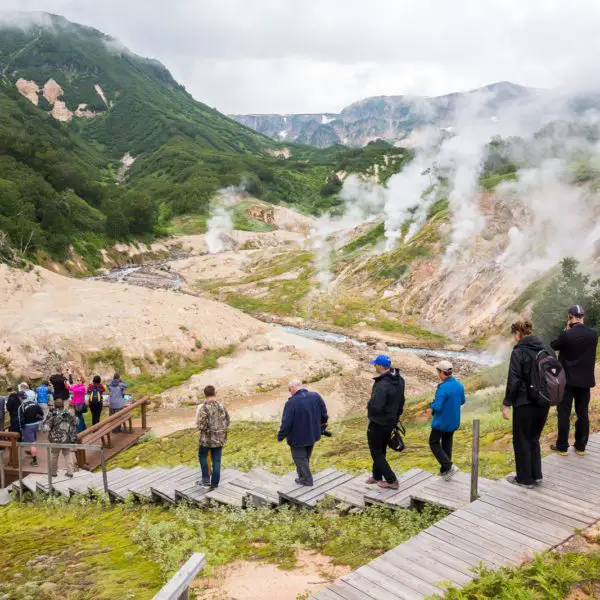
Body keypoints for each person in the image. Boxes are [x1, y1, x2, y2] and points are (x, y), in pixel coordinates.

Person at [502, 319, 552, 489]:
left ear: (518, 334)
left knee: (521, 439)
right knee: (534, 438)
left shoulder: (519, 351)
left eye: (514, 335)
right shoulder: (546, 348)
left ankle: (524, 479)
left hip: (524, 402)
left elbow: (514, 380)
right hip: (544, 401)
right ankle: (536, 475)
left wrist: (507, 403)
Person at [550, 305, 599, 456]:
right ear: (583, 316)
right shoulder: (593, 334)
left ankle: (562, 446)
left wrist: (566, 330)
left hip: (567, 382)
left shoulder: (567, 335)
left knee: (564, 413)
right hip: (585, 381)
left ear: (570, 317)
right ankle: (580, 446)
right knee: (582, 413)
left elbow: (553, 346)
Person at [277, 379, 328, 487]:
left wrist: (281, 436)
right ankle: (301, 477)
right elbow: (324, 412)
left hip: (298, 438)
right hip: (313, 434)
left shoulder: (291, 403)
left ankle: (307, 480)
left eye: (289, 389)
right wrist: (322, 424)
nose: (289, 392)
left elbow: (286, 422)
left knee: (299, 459)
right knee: (305, 457)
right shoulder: (315, 396)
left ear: (292, 388)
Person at [366, 355, 405, 489]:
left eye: (375, 364)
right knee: (380, 448)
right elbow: (401, 401)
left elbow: (376, 406)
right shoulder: (399, 380)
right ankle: (377, 476)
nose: (374, 366)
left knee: (376, 451)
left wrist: (369, 405)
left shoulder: (382, 384)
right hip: (390, 421)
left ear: (381, 366)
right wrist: (395, 417)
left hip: (378, 422)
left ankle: (391, 480)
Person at [429, 360, 466, 481]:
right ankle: (444, 471)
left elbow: (438, 407)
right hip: (453, 420)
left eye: (438, 372)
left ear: (441, 372)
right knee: (447, 442)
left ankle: (449, 467)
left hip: (441, 422)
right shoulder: (459, 385)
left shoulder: (443, 388)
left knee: (433, 442)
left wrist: (432, 404)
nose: (438, 374)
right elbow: (462, 401)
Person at [195, 385, 230, 489]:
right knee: (217, 461)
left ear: (205, 395)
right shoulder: (221, 406)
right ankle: (214, 484)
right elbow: (227, 421)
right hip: (220, 439)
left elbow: (202, 426)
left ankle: (205, 480)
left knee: (202, 456)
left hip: (207, 440)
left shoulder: (204, 408)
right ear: (215, 393)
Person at [46, 399, 78, 478]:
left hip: (55, 439)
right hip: (66, 438)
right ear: (63, 405)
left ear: (55, 405)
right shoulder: (68, 413)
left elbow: (46, 427)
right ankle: (70, 472)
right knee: (67, 454)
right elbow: (76, 422)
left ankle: (53, 472)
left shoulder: (52, 414)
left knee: (54, 455)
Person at [18, 390, 44, 467]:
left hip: (28, 426)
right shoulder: (34, 403)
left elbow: (21, 420)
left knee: (32, 443)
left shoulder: (21, 407)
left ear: (20, 398)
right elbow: (41, 413)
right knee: (33, 439)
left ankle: (34, 461)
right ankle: (32, 451)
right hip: (36, 424)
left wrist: (21, 428)